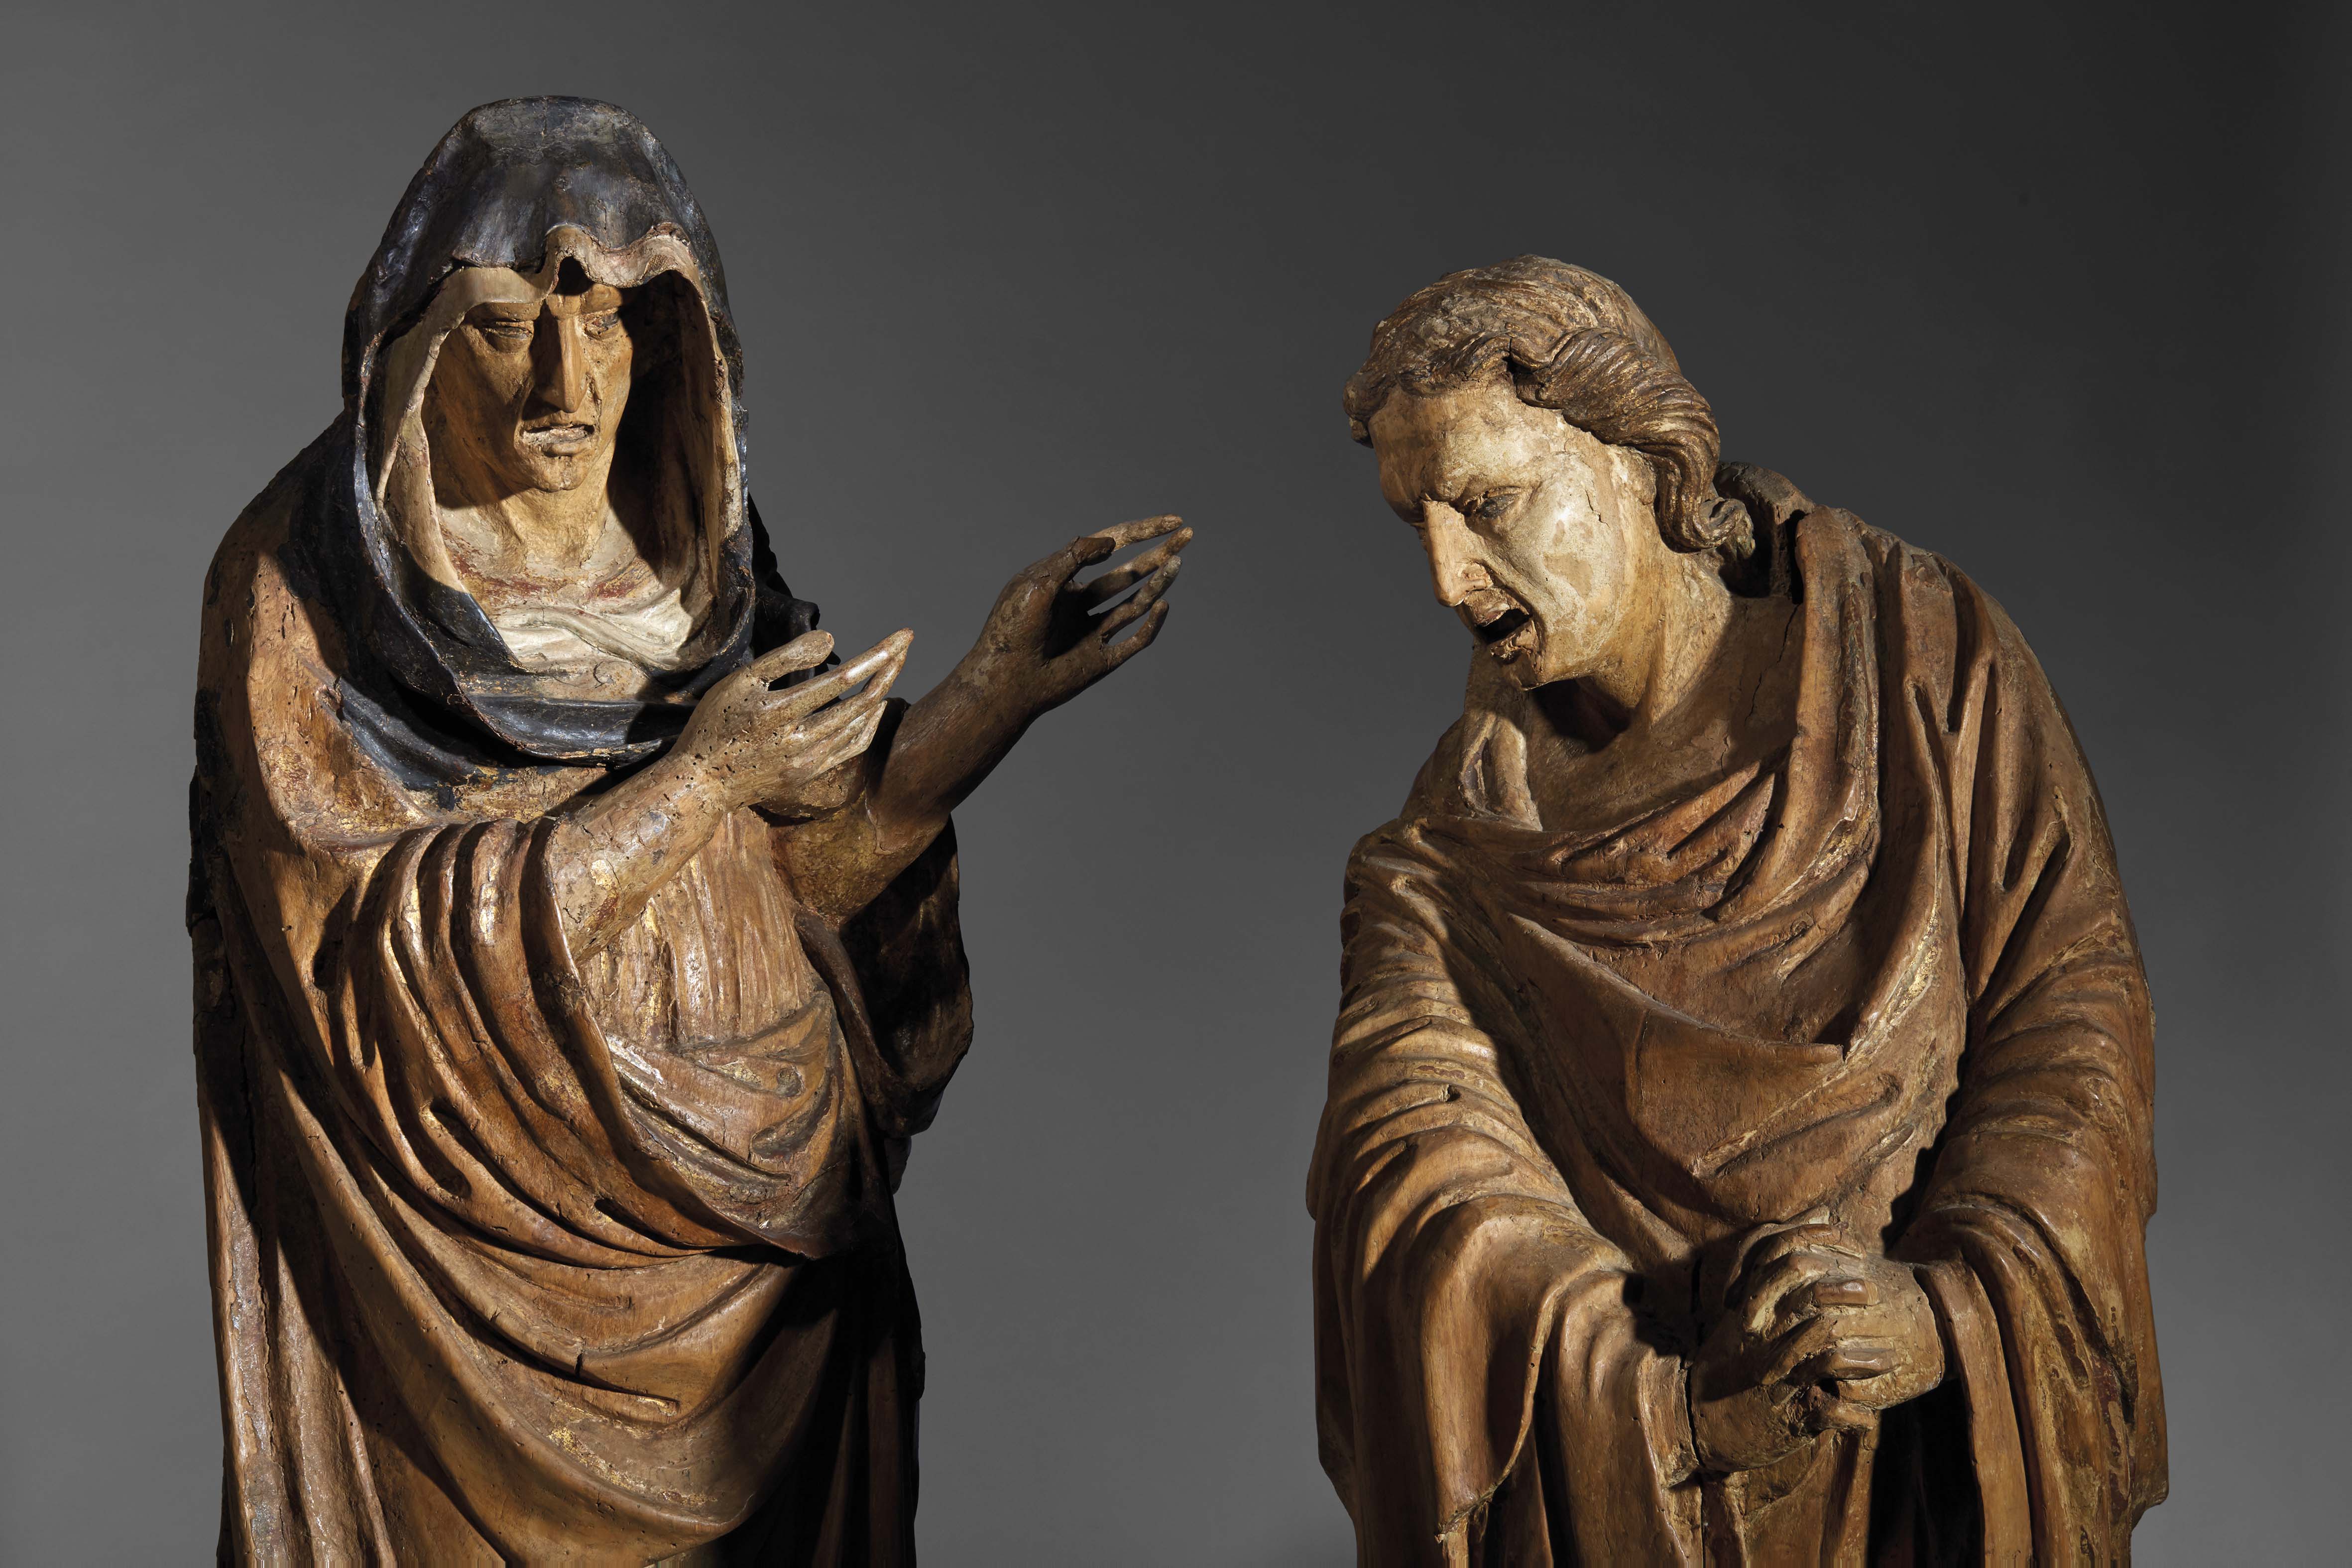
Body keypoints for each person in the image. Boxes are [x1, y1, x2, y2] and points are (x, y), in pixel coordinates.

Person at [189, 97, 1186, 1564]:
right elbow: (351, 982)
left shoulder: (698, 563)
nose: (564, 385)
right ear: (412, 350)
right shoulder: (306, 591)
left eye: (604, 325)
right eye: (505, 329)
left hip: (769, 1254)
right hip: (470, 1286)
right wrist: (694, 784)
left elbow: (805, 879)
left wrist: (987, 699)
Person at [1306, 257, 2163, 1564]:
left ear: (1644, 463)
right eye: (1414, 524)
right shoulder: (1446, 866)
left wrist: (1948, 1312)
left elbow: (2070, 1020)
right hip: (1660, 1470)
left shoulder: (1919, 665)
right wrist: (1676, 1417)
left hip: (1916, 1461)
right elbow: (1427, 1200)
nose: (1448, 579)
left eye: (1487, 504)